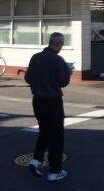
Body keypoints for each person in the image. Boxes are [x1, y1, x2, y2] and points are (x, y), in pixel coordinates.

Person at [24, 32, 71, 182]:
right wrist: (69, 71)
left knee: (44, 131)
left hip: (37, 101)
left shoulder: (35, 57)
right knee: (56, 136)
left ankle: (36, 160)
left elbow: (28, 78)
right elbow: (63, 82)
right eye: (61, 45)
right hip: (53, 102)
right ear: (58, 44)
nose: (61, 47)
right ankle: (55, 172)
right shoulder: (58, 60)